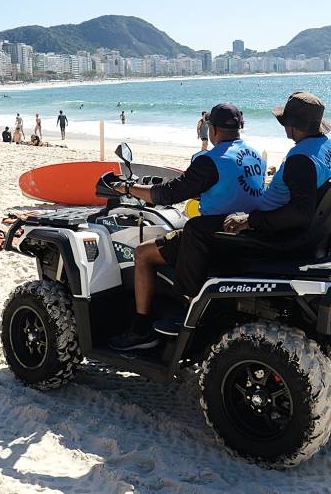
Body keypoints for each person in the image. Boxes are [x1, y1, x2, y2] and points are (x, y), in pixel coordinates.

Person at [108, 103, 266, 351]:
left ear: (212, 129)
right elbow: (230, 188)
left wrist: (127, 188)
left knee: (142, 253)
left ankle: (141, 330)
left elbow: (168, 195)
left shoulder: (211, 160)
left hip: (212, 237)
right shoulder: (254, 155)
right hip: (245, 233)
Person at [223, 91, 331, 246]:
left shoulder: (301, 159)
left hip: (279, 236)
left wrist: (250, 221)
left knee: (202, 228)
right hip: (319, 235)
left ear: (292, 125)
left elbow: (300, 213)